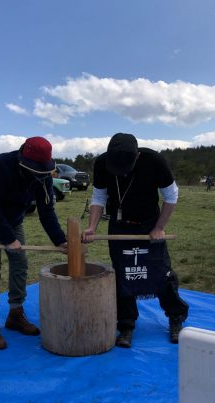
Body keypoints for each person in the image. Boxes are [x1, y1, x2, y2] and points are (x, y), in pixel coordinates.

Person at [82, 133, 189, 348]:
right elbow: (99, 196)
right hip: (119, 225)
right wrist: (92, 227)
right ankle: (126, 325)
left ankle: (176, 317)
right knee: (122, 274)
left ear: (137, 157)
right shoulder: (102, 163)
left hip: (149, 225)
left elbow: (171, 196)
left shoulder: (154, 161)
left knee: (160, 272)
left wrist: (159, 227)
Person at [0, 136, 67, 350]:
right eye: (36, 170)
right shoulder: (0, 166)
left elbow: (46, 210)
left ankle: (15, 313)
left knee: (20, 264)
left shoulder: (43, 175)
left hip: (14, 221)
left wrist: (60, 240)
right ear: (24, 158)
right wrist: (8, 239)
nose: (39, 175)